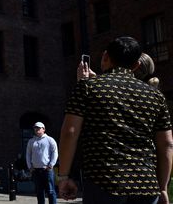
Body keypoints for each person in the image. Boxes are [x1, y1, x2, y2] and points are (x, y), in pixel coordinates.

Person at [58, 36, 173, 204]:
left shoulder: (87, 87)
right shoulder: (155, 97)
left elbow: (70, 132)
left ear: (105, 57)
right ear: (136, 65)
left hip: (104, 181)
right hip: (146, 184)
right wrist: (162, 187)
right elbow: (167, 143)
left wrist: (63, 176)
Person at [26, 122, 58, 204]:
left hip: (47, 170)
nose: (36, 129)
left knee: (51, 191)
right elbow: (28, 154)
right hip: (36, 170)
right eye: (35, 128)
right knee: (39, 192)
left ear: (43, 129)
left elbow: (55, 153)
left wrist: (51, 165)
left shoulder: (50, 140)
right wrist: (30, 167)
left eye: (38, 128)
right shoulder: (31, 141)